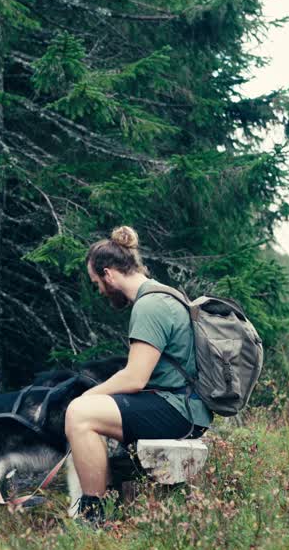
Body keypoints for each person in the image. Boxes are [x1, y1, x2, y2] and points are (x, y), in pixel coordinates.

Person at [65, 225, 210, 525]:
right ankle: (108, 506)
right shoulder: (162, 295)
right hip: (183, 406)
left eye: (97, 283)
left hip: (178, 411)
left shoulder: (150, 306)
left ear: (109, 274)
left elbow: (135, 378)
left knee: (79, 413)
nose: (100, 291)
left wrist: (86, 396)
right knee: (87, 412)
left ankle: (93, 518)